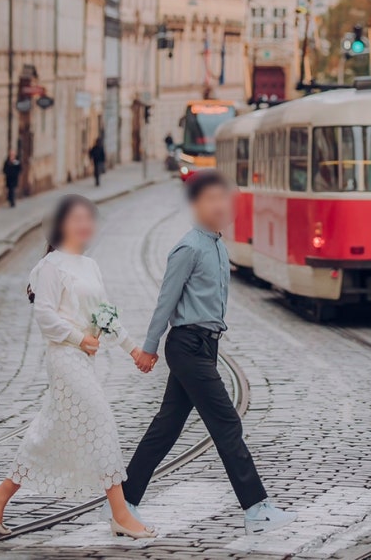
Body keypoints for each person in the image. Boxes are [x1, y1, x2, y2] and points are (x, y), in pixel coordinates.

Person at [125, 170, 295, 536]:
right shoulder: (188, 248)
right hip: (187, 347)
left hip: (205, 346)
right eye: (212, 200)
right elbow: (164, 303)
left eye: (225, 199)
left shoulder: (218, 244)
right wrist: (148, 349)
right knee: (227, 423)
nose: (221, 206)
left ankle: (125, 499)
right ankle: (255, 507)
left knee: (167, 426)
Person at [0, 195, 155, 540]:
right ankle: (120, 513)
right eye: (77, 218)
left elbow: (106, 316)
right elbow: (44, 315)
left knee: (46, 433)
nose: (84, 224)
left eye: (89, 218)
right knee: (101, 424)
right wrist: (78, 338)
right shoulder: (51, 267)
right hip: (63, 359)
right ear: (60, 225)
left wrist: (134, 350)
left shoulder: (90, 265)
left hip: (84, 362)